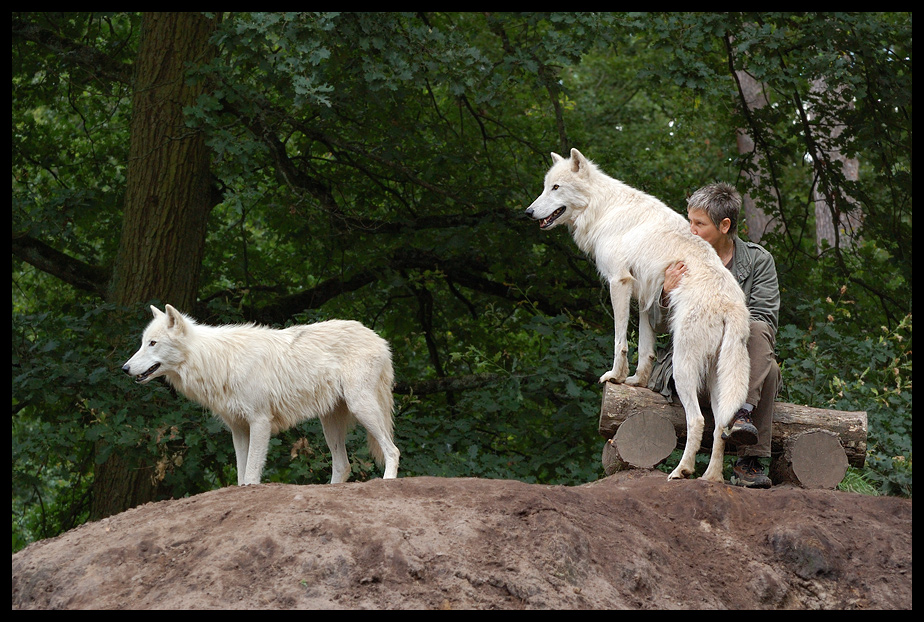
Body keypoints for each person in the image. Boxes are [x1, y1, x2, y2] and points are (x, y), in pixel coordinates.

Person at [647, 182, 781, 488]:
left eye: (699, 224)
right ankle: (739, 421)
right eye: (688, 221)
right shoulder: (679, 258)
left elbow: (765, 320)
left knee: (762, 343)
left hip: (736, 366)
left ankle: (747, 453)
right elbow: (657, 325)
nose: (689, 230)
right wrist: (666, 293)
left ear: (724, 225)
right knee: (767, 367)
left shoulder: (758, 261)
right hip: (692, 368)